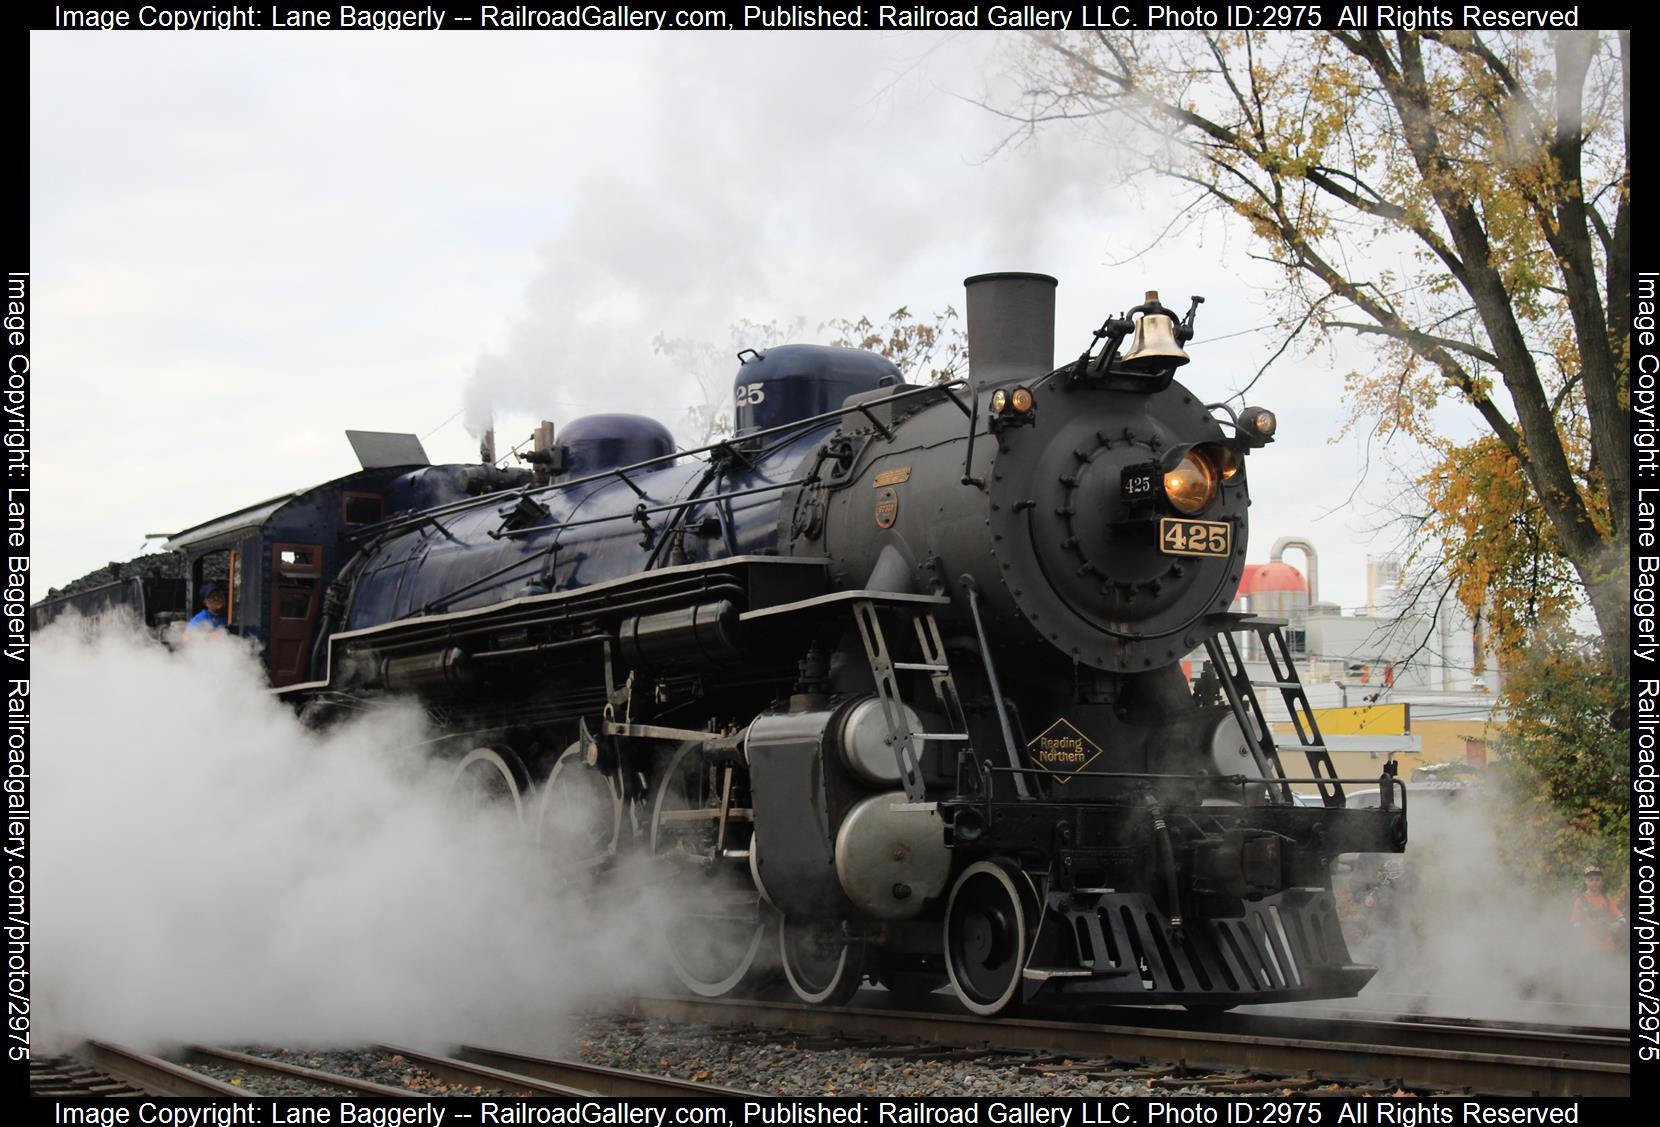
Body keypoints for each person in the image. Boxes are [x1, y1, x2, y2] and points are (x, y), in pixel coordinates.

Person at [1572, 866, 1625, 953]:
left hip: (1608, 948)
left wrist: (1618, 924)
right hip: (1587, 950)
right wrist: (1583, 930)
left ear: (1601, 881)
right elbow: (1575, 923)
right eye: (1591, 880)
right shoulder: (1580, 900)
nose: (1594, 883)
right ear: (1586, 881)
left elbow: (1622, 919)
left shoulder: (1607, 899)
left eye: (1597, 880)